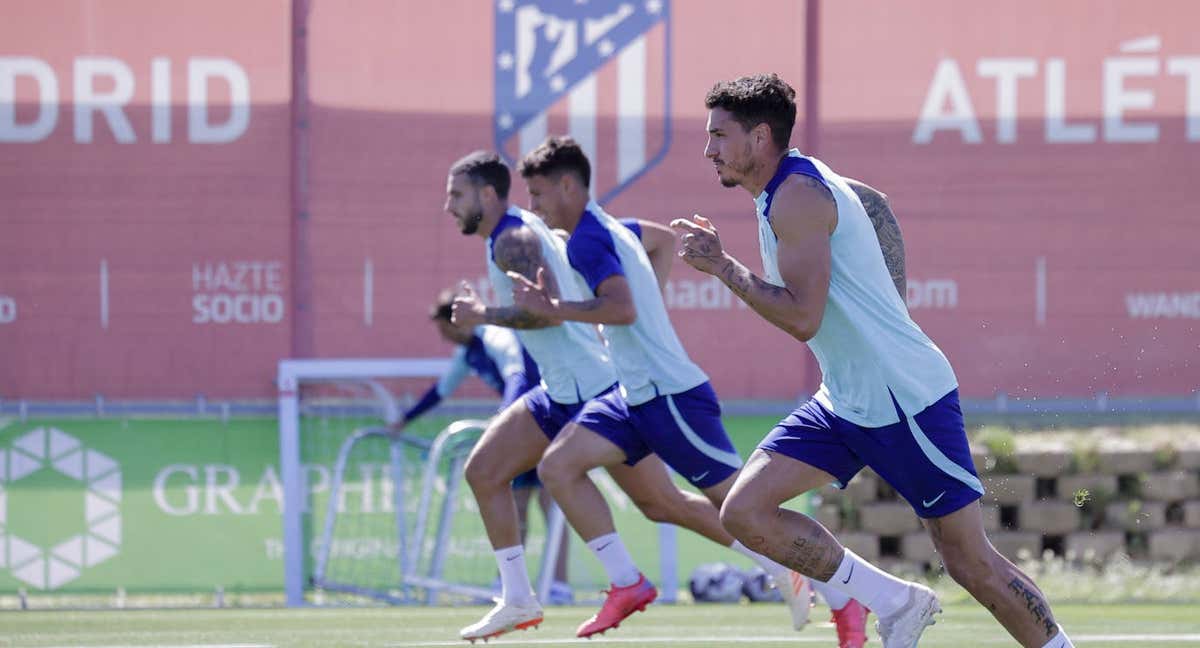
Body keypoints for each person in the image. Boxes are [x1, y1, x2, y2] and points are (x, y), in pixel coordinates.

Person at [672, 73, 1075, 648]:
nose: (708, 148)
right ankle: (895, 601)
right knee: (744, 511)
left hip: (903, 399)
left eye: (718, 134)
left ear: (760, 138)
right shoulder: (793, 187)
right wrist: (889, 315)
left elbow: (802, 318)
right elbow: (877, 208)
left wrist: (724, 269)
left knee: (969, 560)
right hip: (845, 400)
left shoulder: (797, 197)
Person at [509, 136, 867, 646]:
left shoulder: (589, 240)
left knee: (747, 512)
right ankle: (628, 583)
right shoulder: (611, 226)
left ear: (569, 186)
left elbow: (623, 308)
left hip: (670, 396)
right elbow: (657, 241)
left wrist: (561, 311)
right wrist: (637, 324)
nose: (532, 206)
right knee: (561, 467)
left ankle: (839, 593)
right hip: (634, 393)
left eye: (538, 193)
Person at [443, 151, 798, 642]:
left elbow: (544, 314)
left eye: (456, 195)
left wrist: (483, 315)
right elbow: (659, 240)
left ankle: (779, 564)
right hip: (559, 388)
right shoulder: (529, 230)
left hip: (594, 388)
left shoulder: (514, 239)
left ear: (486, 195)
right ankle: (519, 598)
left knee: (666, 504)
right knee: (484, 472)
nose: (448, 206)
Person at [392, 289, 571, 604]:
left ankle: (559, 585)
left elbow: (518, 375)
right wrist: (404, 419)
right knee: (516, 505)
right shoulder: (467, 353)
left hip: (546, 417)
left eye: (445, 328)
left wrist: (505, 415)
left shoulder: (495, 336)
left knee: (550, 502)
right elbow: (440, 391)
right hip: (521, 423)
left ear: (459, 321)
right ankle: (509, 584)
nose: (444, 337)